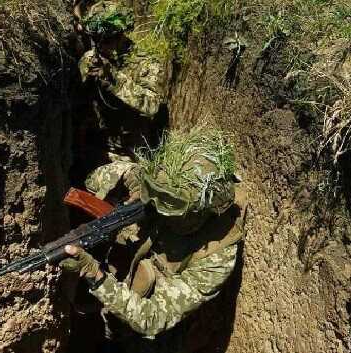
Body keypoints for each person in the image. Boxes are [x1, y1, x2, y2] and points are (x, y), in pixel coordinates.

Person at [62, 128, 246, 352]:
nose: (161, 209)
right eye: (158, 197)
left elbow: (152, 319)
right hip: (120, 291)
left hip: (153, 335)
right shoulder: (163, 184)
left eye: (172, 207)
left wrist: (95, 275)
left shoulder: (217, 255)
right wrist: (132, 184)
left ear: (204, 210)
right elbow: (92, 178)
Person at [72, 0, 168, 157]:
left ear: (121, 35)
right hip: (94, 147)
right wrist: (85, 80)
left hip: (129, 152)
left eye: (107, 40)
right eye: (96, 40)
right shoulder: (90, 59)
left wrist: (113, 80)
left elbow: (152, 106)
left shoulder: (147, 63)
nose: (101, 46)